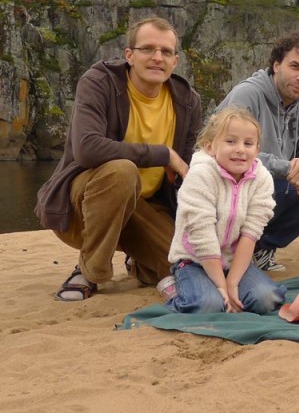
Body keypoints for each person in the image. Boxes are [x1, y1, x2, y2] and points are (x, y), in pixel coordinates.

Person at [35, 16, 202, 301]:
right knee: (122, 172)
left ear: (175, 61)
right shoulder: (99, 82)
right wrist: (163, 154)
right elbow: (87, 149)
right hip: (87, 204)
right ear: (129, 55)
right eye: (147, 49)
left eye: (166, 52)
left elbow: (184, 172)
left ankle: (140, 263)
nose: (157, 57)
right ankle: (90, 271)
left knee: (185, 264)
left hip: (145, 206)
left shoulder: (187, 100)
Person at [218, 32, 299, 272]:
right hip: (235, 191)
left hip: (270, 189)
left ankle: (259, 247)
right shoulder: (248, 95)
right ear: (276, 65)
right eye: (295, 66)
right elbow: (220, 150)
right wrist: (291, 170)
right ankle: (232, 248)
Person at [165, 106, 286, 314]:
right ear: (210, 147)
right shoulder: (200, 175)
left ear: (257, 150)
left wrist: (233, 283)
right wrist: (222, 287)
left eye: (248, 143)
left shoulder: (262, 178)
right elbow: (202, 236)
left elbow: (251, 232)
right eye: (230, 141)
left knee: (267, 299)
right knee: (209, 305)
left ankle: (227, 285)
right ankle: (173, 290)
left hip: (233, 259)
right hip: (195, 260)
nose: (240, 149)